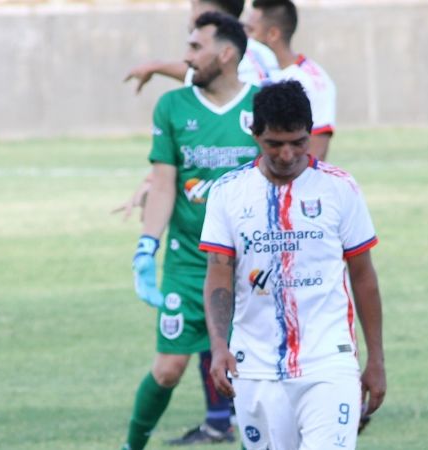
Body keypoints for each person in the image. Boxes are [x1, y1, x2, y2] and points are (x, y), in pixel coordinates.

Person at [199, 80, 386, 449]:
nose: (287, 155)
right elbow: (218, 274)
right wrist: (219, 345)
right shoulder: (228, 191)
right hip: (254, 364)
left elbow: (364, 277)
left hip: (329, 360)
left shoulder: (339, 187)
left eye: (298, 142)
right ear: (255, 134)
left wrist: (376, 359)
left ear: (310, 133)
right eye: (275, 143)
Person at [124, 12, 261, 449]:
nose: (186, 56)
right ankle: (131, 445)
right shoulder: (172, 107)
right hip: (187, 263)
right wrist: (147, 246)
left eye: (196, 47)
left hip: (249, 266)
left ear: (227, 54)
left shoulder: (261, 105)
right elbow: (164, 183)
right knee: (168, 369)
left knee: (252, 371)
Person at [245, 0, 336, 160]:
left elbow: (315, 154)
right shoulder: (244, 72)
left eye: (251, 30)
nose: (246, 38)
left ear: (273, 34)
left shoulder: (313, 81)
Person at [124, 0, 278, 94]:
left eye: (193, 6)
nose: (188, 58)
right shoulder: (261, 53)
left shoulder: (238, 61)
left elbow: (204, 72)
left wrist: (156, 66)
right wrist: (156, 66)